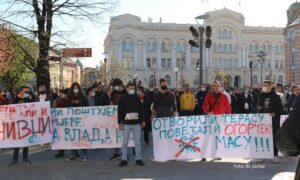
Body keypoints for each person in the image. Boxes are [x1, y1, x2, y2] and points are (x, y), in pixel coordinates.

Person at [118, 83, 146, 167]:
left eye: (133, 88)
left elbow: (141, 109)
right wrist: (120, 122)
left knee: (137, 142)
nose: (132, 90)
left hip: (136, 123)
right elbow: (120, 111)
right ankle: (124, 159)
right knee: (125, 142)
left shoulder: (136, 97)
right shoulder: (122, 98)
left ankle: (138, 159)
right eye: (130, 88)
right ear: (126, 89)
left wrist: (143, 120)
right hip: (126, 124)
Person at [257, 80, 283, 163]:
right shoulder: (261, 95)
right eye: (263, 85)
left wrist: (275, 113)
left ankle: (275, 155)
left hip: (273, 120)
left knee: (274, 138)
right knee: (264, 137)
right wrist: (259, 108)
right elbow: (259, 105)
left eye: (265, 85)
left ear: (270, 86)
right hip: (264, 120)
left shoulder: (275, 96)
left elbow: (280, 108)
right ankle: (263, 155)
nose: (263, 87)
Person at [9, 86, 33, 167]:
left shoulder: (27, 99)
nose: (25, 93)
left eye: (26, 92)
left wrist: (30, 92)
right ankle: (14, 159)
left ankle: (25, 157)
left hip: (26, 123)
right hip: (16, 124)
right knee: (17, 142)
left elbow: (34, 103)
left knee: (26, 141)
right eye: (24, 91)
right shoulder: (14, 99)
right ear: (20, 91)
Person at [65, 83, 89, 162]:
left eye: (77, 88)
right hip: (72, 121)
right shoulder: (69, 98)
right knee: (72, 137)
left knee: (83, 137)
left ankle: (84, 155)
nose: (75, 89)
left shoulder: (84, 98)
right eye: (74, 88)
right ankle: (72, 154)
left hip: (82, 121)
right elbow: (65, 108)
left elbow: (88, 108)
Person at [110, 78, 127, 161]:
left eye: (116, 86)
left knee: (125, 134)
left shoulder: (125, 92)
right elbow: (111, 102)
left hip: (125, 114)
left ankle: (125, 152)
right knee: (115, 133)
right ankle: (116, 152)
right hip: (115, 114)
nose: (115, 87)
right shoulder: (113, 92)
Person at [53, 89, 69, 158]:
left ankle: (75, 152)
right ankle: (61, 151)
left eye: (63, 93)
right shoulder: (57, 101)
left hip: (67, 121)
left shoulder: (68, 101)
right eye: (61, 93)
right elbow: (54, 108)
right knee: (61, 136)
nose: (61, 95)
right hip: (60, 121)